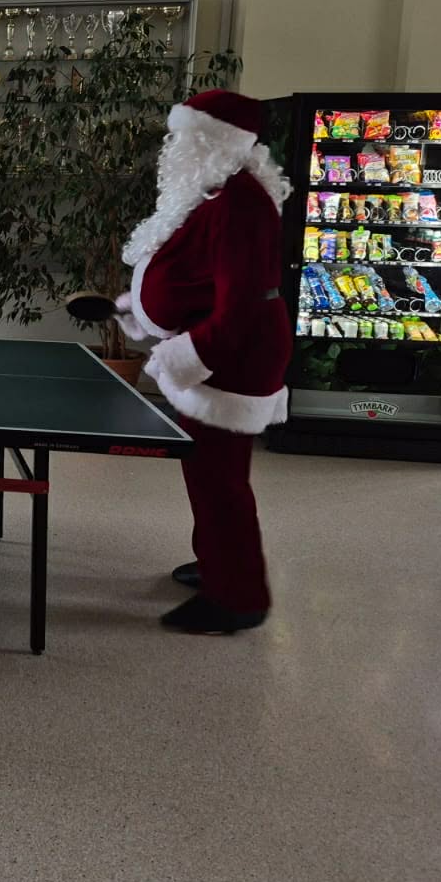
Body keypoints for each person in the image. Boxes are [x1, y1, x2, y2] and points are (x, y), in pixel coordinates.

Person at [114, 87, 292, 635]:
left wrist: (183, 358)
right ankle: (215, 561)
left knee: (221, 479)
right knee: (206, 469)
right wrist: (142, 312)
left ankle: (237, 596)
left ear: (215, 141)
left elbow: (241, 306)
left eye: (186, 136)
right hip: (221, 348)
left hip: (233, 356)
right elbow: (197, 274)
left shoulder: (239, 202)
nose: (175, 146)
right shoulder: (213, 190)